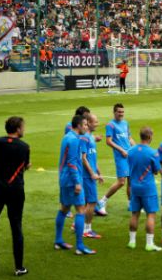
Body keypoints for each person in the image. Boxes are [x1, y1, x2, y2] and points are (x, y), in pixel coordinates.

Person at [0, 116, 30, 276]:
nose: (24, 129)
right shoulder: (24, 147)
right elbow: (24, 166)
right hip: (15, 191)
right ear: (17, 129)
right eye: (23, 127)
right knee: (16, 226)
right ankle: (18, 267)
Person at [54, 115, 96, 255]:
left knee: (64, 209)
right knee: (80, 210)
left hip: (64, 179)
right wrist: (77, 182)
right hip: (72, 180)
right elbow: (72, 163)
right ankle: (80, 246)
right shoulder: (74, 140)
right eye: (84, 125)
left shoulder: (67, 137)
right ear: (78, 125)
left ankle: (58, 240)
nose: (87, 127)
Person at [126, 126, 162, 252]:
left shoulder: (131, 151)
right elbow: (156, 171)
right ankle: (149, 243)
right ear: (149, 137)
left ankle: (132, 241)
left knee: (134, 214)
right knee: (150, 215)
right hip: (148, 187)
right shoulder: (153, 153)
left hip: (134, 186)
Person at [99, 103, 135, 214]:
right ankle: (102, 201)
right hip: (121, 156)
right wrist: (121, 150)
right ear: (114, 112)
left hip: (129, 155)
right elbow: (108, 141)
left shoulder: (125, 123)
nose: (121, 114)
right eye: (119, 112)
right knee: (121, 182)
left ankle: (131, 204)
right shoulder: (111, 125)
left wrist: (137, 148)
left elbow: (129, 138)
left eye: (122, 112)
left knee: (131, 181)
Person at [80, 114, 104, 239]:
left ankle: (80, 226)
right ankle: (86, 229)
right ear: (88, 122)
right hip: (87, 176)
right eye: (95, 121)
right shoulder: (85, 138)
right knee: (92, 202)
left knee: (85, 203)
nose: (97, 123)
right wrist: (92, 174)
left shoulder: (90, 138)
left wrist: (98, 171)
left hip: (91, 174)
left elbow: (92, 157)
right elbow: (83, 158)